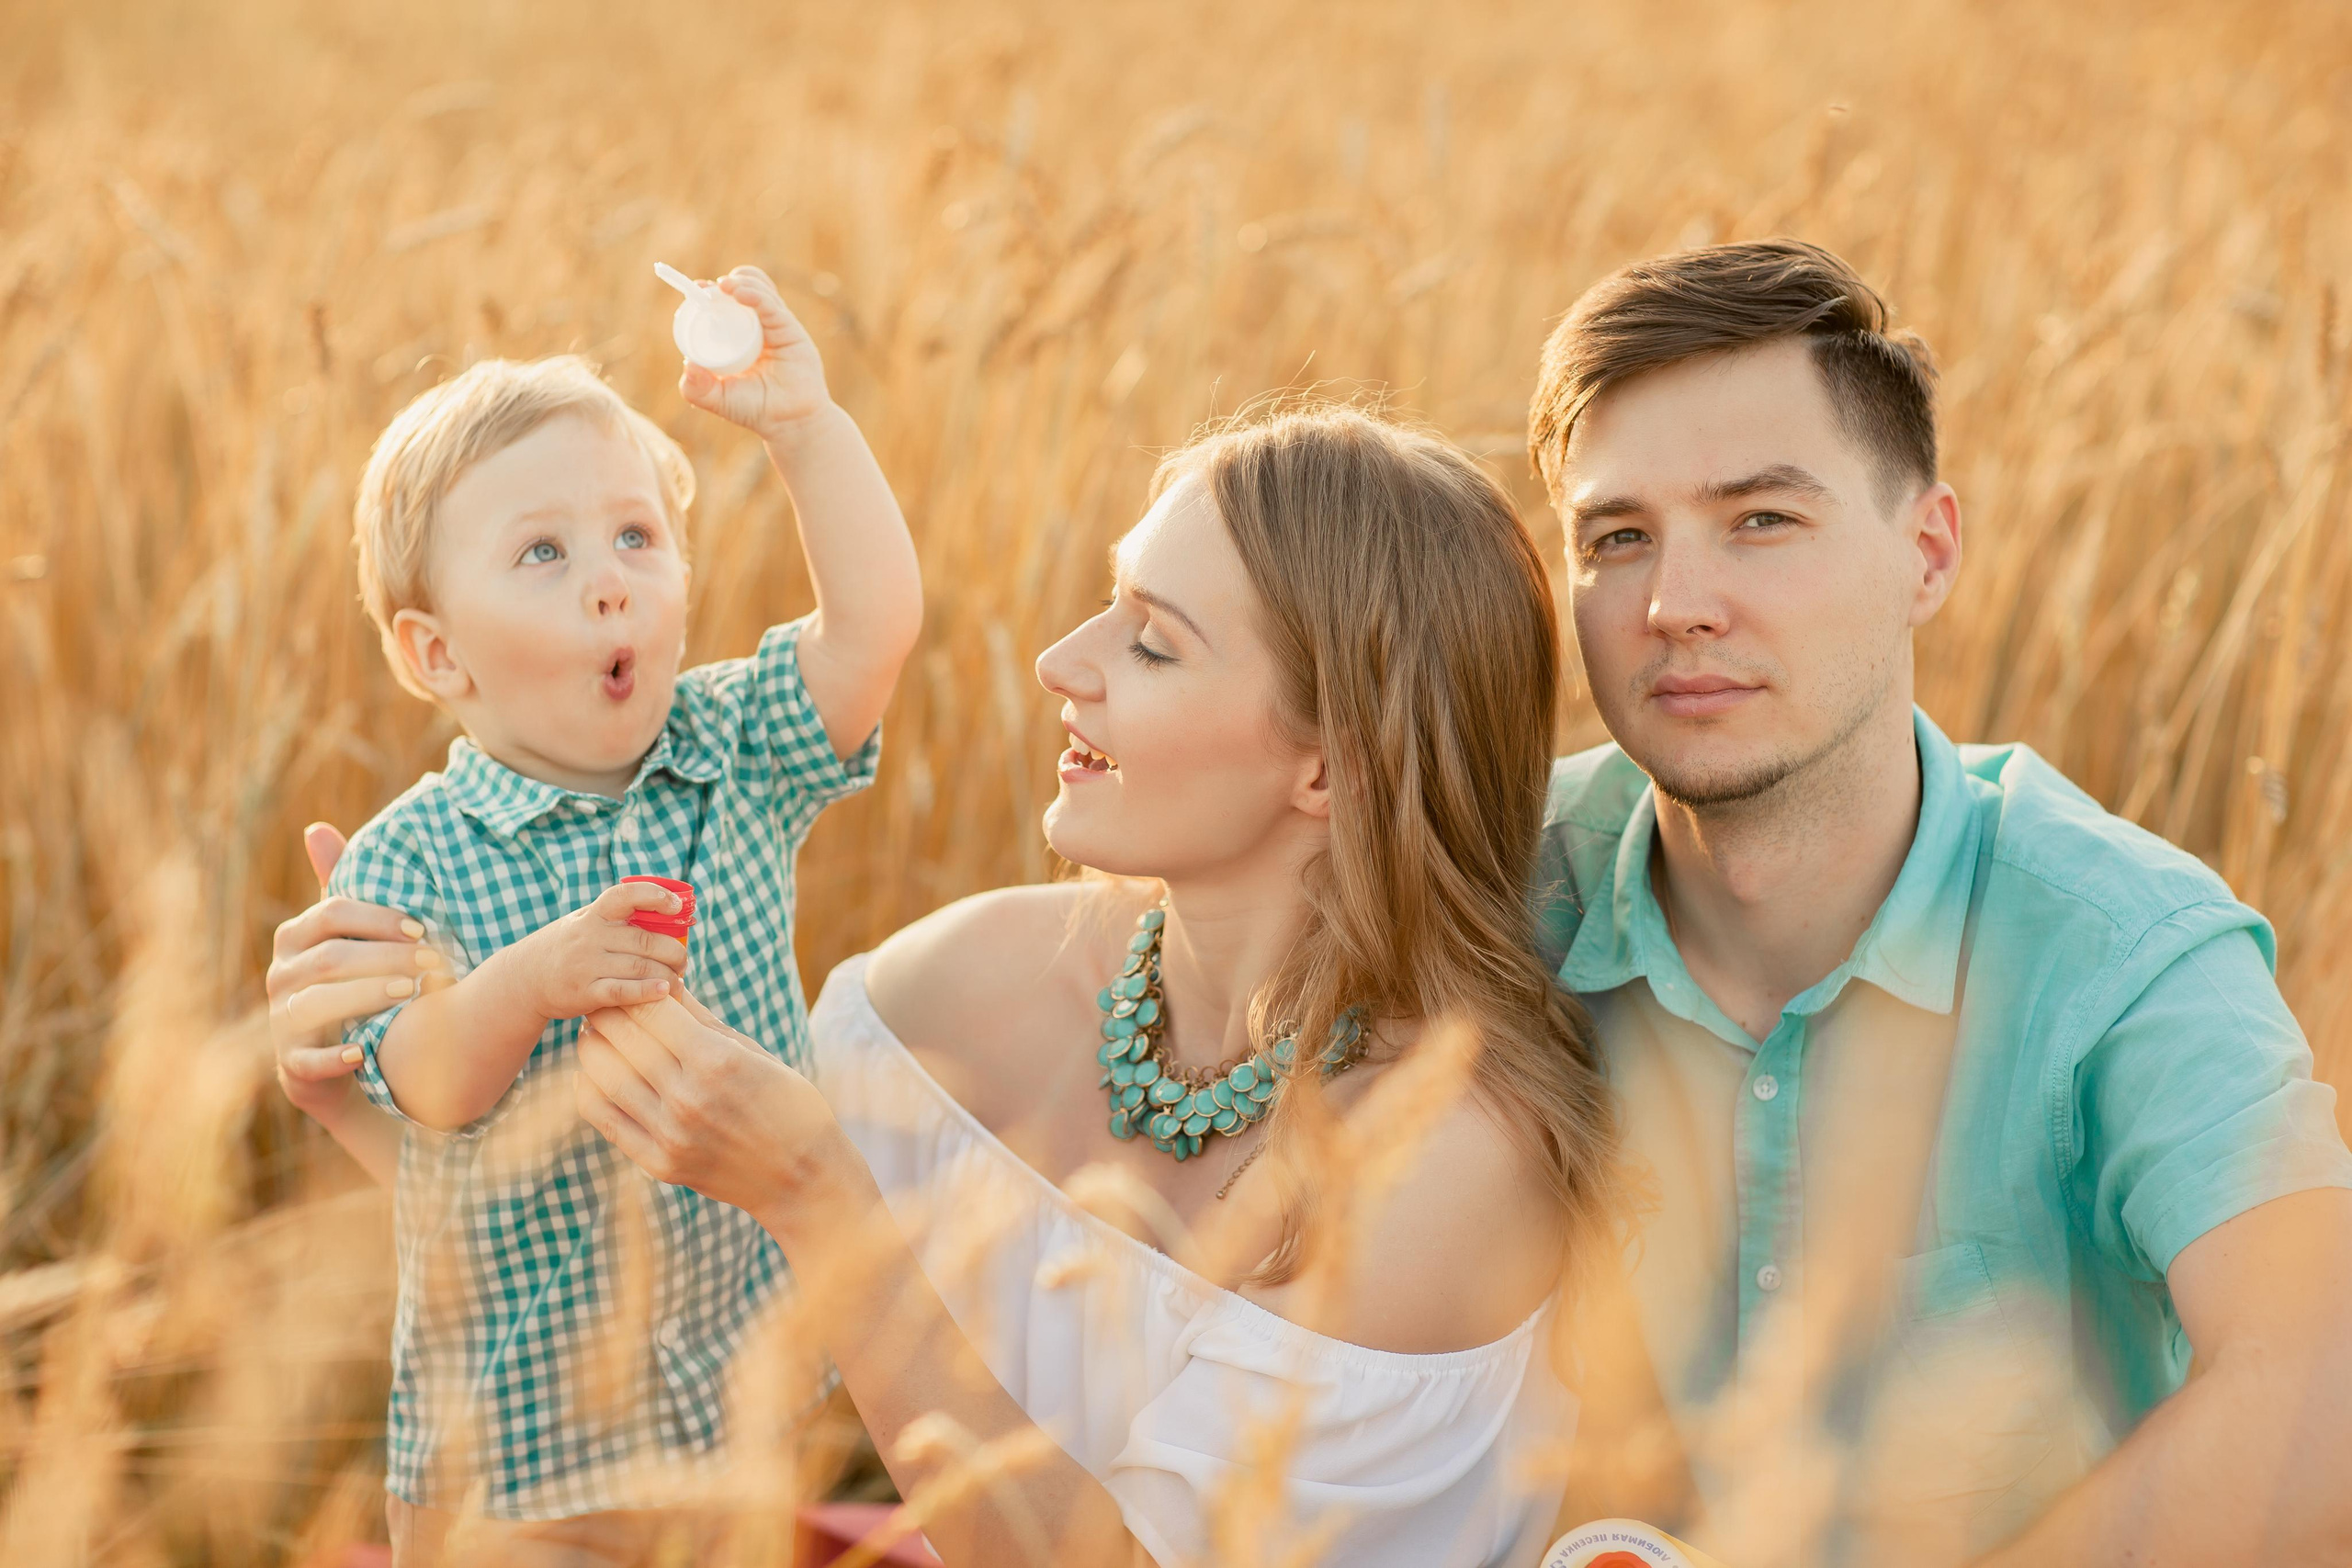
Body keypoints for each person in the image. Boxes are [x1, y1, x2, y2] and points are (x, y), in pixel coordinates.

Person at [276, 403, 1620, 1567]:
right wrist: (378, 1089)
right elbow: (637, 1256)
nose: (1061, 663)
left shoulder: (1443, 1156)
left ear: (1327, 768)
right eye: (1110, 600)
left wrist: (824, 1203)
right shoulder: (951, 994)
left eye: (1150, 642)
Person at [1527, 239, 2352, 1567]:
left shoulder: (2119, 945)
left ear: (1928, 551)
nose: (1675, 604)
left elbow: (2325, 1391)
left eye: (1761, 521)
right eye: (1618, 538)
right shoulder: (1488, 888)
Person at [288, 267, 922, 1562]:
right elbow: (428, 1085)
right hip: (512, 1455)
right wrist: (535, 979)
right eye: (544, 553)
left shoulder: (732, 750)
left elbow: (874, 629)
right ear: (436, 655)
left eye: (638, 537)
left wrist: (803, 427)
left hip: (726, 1401)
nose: (611, 581)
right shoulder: (411, 856)